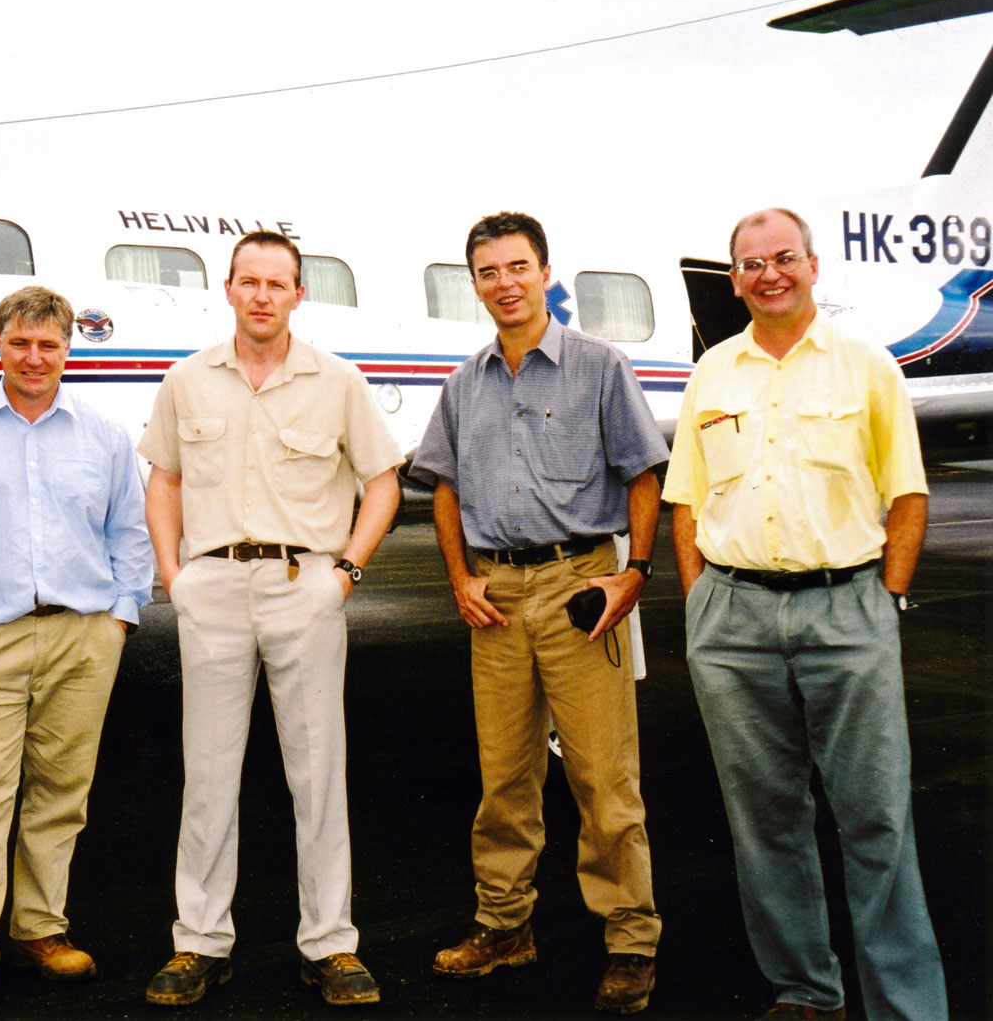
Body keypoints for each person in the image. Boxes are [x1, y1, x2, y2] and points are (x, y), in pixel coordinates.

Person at [662, 208, 947, 1021]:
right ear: (736, 278)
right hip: (734, 620)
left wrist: (883, 596)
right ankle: (805, 992)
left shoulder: (866, 366)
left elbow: (908, 493)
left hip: (846, 610)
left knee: (876, 820)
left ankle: (906, 1006)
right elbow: (687, 498)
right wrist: (702, 601)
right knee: (764, 821)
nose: (767, 274)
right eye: (749, 264)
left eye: (782, 257)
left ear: (813, 266)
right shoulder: (713, 372)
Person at [408, 211, 666, 1014]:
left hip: (581, 585)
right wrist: (460, 577)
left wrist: (634, 576)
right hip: (498, 598)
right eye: (487, 272)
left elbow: (643, 471)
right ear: (475, 283)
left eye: (517, 267)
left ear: (546, 273)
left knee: (603, 777)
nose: (504, 283)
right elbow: (443, 483)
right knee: (505, 777)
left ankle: (629, 940)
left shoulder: (599, 366)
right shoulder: (464, 381)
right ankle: (504, 924)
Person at [137, 230, 403, 1007]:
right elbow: (164, 481)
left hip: (305, 585)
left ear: (297, 295)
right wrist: (174, 575)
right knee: (208, 772)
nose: (261, 295)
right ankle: (200, 942)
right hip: (212, 589)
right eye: (248, 281)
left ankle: (330, 944)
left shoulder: (338, 382)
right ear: (227, 289)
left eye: (276, 283)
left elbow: (382, 482)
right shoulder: (187, 380)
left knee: (317, 772)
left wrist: (345, 574)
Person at [0, 286, 153, 1021]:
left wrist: (121, 617)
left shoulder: (104, 433)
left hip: (83, 635)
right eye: (20, 343)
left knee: (59, 794)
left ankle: (41, 928)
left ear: (69, 349)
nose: (34, 357)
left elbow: (127, 532)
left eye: (49, 344)